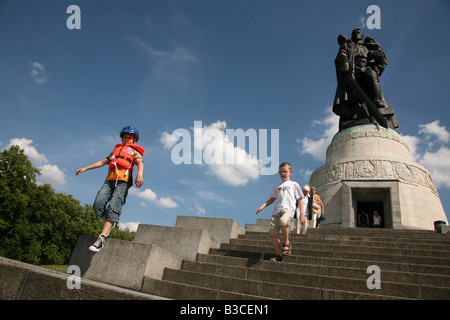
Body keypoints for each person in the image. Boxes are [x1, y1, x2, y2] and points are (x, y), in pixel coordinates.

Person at [76, 126, 145, 252]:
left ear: (134, 140)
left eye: (130, 137)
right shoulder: (116, 150)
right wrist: (86, 168)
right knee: (98, 203)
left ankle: (102, 237)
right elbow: (103, 162)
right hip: (109, 180)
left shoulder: (134, 152)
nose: (127, 139)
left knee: (114, 206)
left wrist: (139, 174)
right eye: (125, 137)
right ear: (122, 138)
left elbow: (140, 162)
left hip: (123, 182)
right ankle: (110, 221)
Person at [256, 162, 305, 262]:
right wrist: (263, 206)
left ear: (290, 172)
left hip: (288, 209)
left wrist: (302, 214)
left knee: (283, 222)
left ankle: (286, 243)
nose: (283, 174)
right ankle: (279, 256)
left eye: (285, 172)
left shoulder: (294, 184)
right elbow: (272, 199)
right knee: (274, 235)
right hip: (276, 211)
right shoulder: (277, 185)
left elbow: (300, 199)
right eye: (281, 172)